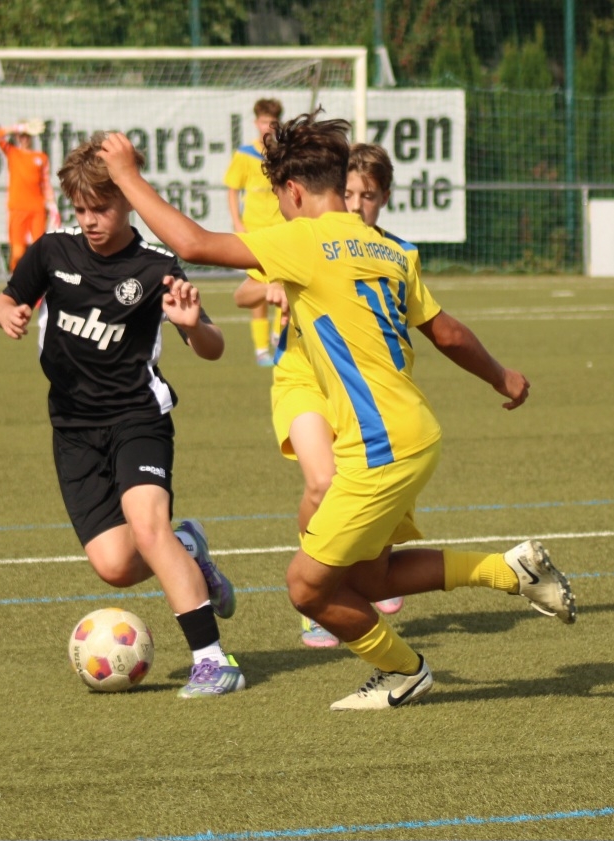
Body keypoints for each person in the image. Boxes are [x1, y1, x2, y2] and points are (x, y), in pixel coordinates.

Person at [98, 114, 575, 711]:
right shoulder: (389, 248)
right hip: (412, 433)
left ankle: (403, 671)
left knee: (306, 588)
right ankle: (512, 571)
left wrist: (128, 175)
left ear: (293, 192)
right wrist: (502, 375)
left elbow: (192, 243)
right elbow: (446, 332)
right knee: (372, 579)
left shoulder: (302, 241)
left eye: (279, 198)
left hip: (381, 448)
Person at [0, 132, 244, 699]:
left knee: (148, 527)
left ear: (127, 201)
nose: (90, 220)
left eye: (101, 208)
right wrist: (6, 313)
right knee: (114, 566)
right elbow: (6, 298)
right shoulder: (52, 252)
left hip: (137, 419)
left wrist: (193, 324)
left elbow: (213, 347)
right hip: (73, 429)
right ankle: (190, 548)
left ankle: (213, 661)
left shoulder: (156, 266)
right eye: (81, 209)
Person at [232, 143, 411, 649]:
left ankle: (369, 570)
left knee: (368, 482)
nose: (357, 205)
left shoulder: (389, 252)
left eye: (368, 196)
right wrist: (270, 289)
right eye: (349, 194)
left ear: (384, 198)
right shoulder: (302, 239)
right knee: (322, 482)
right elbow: (242, 292)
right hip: (304, 378)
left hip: (362, 385)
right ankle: (317, 592)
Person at [223, 98, 284, 366]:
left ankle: (279, 337)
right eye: (263, 122)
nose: (267, 127)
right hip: (255, 233)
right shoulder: (245, 154)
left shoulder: (284, 153)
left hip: (282, 231)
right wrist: (237, 223)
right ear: (255, 123)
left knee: (286, 283)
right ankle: (261, 349)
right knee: (258, 287)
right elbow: (233, 190)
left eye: (272, 122)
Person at [0, 119, 61, 272]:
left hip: (37, 208)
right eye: (22, 135)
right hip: (18, 208)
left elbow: (45, 183)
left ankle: (38, 281)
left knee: (39, 250)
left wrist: (53, 206)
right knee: (18, 252)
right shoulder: (12, 152)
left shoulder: (41, 157)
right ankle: (16, 278)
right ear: (17, 137)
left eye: (27, 135)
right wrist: (18, 127)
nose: (24, 138)